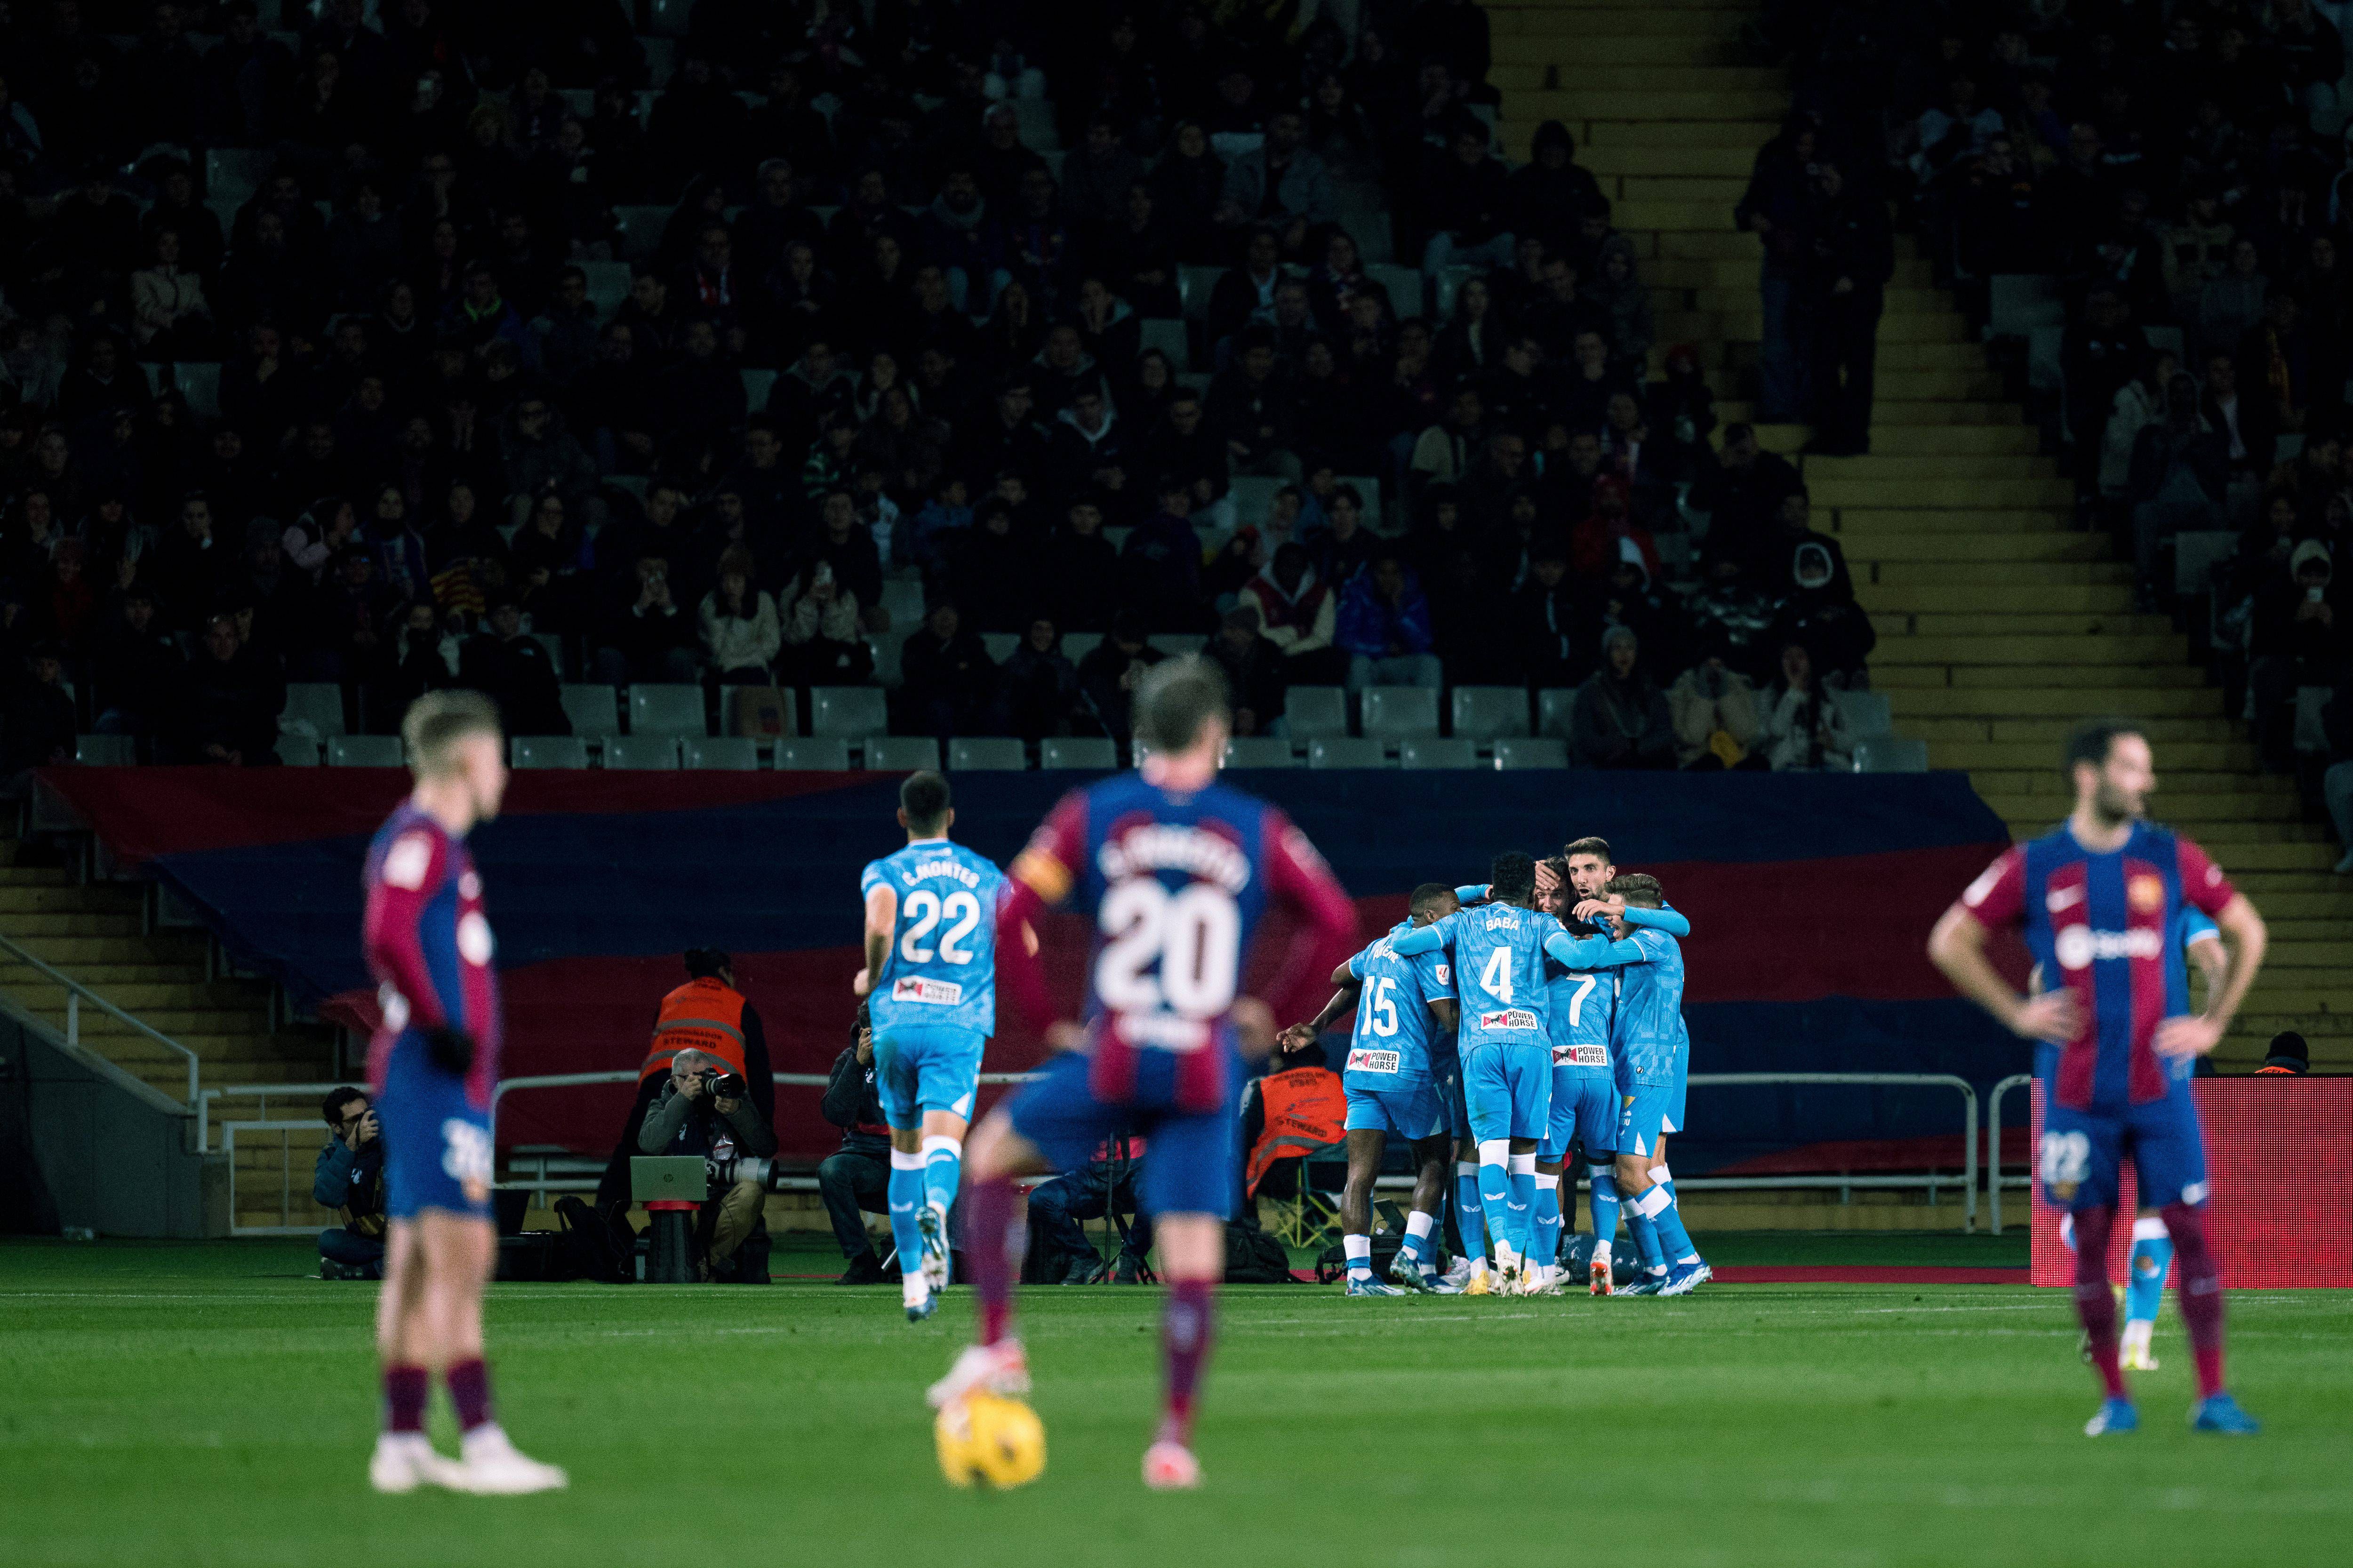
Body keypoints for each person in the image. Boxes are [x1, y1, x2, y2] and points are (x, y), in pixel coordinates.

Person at [935, 658, 1359, 1490]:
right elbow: (1334, 918)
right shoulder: (1256, 826)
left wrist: (1048, 1023)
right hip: (1202, 1061)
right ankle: (1172, 1443)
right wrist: (1272, 1011)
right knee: (1191, 1255)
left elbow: (1010, 913)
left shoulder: (1092, 813)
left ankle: (997, 1343)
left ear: (1139, 732)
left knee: (986, 1159)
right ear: (1218, 733)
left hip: (1116, 1050)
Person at [1927, 719, 2268, 1437]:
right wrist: (2018, 1013)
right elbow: (1950, 939)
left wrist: (2213, 1024)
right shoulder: (2037, 864)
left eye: (2147, 768)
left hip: (2160, 1087)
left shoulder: (2169, 856)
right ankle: (2116, 1401)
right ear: (2090, 775)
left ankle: (2213, 1397)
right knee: (2089, 1240)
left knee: (2192, 1233)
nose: (2147, 782)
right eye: (2133, 768)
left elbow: (2249, 930)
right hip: (2078, 1095)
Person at [361, 691, 564, 1494]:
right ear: (469, 759)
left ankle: (403, 1443)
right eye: (499, 758)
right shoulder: (423, 839)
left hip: (440, 1075)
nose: (504, 775)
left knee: (415, 1263)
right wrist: (439, 1021)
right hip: (434, 1075)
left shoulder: (433, 844)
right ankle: (482, 1443)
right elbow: (387, 929)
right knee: (463, 1256)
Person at [1389, 852, 1643, 1295]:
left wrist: (1470, 897)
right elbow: (1575, 956)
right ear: (1530, 891)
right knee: (1526, 1158)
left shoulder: (1463, 922)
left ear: (1493, 886)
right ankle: (1525, 1258)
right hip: (1531, 1048)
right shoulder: (1541, 924)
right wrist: (1603, 944)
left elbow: (1406, 943)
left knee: (1488, 1154)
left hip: (1481, 1046)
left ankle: (1501, 1249)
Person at [853, 770, 1005, 1323]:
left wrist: (872, 975)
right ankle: (937, 1210)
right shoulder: (984, 873)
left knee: (904, 1151)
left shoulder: (885, 870)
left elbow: (880, 925)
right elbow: (1025, 937)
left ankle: (915, 1287)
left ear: (902, 817)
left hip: (896, 1020)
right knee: (944, 1143)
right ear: (951, 816)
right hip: (957, 1022)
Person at [1276, 882, 1462, 1295]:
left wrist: (1318, 1025)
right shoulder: (1428, 953)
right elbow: (1449, 1020)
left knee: (1359, 1175)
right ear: (1432, 918)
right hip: (1407, 1071)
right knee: (1435, 1162)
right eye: (1453, 912)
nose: (1459, 920)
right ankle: (1411, 1256)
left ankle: (1359, 1275)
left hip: (1360, 1068)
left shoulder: (1381, 946)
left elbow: (1342, 977)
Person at [1568, 873, 1709, 1296]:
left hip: (1647, 1069)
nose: (1610, 919)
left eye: (1616, 912)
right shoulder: (1645, 940)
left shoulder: (1654, 939)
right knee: (1630, 1172)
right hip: (1633, 1068)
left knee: (1633, 1174)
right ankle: (1656, 1268)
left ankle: (1687, 1260)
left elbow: (1594, 958)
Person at [818, 1008, 895, 1286]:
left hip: (913, 1158)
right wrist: (858, 1063)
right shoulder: (849, 1060)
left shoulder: (917, 1056)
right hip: (868, 1159)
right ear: (864, 1032)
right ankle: (862, 1259)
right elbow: (836, 1114)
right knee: (832, 1171)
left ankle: (920, 1252)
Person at [313, 1087, 387, 1280]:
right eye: (355, 1120)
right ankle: (395, 1261)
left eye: (367, 1114)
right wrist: (352, 1145)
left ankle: (361, 1271)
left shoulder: (392, 1144)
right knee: (329, 1241)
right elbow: (328, 1196)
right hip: (369, 1242)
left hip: (405, 1233)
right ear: (337, 1127)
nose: (365, 1123)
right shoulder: (332, 1154)